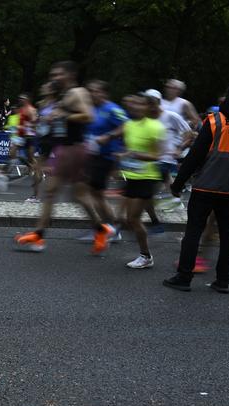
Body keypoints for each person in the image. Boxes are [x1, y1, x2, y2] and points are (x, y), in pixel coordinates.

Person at [163, 85, 229, 293]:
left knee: (193, 231)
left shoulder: (214, 121)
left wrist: (178, 184)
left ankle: (184, 277)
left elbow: (195, 156)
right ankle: (223, 281)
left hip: (205, 187)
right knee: (228, 235)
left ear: (227, 98)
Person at [13, 61, 114, 254]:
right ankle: (98, 229)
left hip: (74, 149)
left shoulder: (77, 92)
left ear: (70, 74)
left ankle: (41, 236)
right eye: (53, 75)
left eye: (58, 74)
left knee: (64, 194)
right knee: (67, 194)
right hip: (64, 149)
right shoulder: (65, 95)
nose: (54, 78)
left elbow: (88, 116)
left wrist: (62, 115)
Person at [117, 93, 164, 269]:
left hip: (148, 177)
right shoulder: (129, 125)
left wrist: (138, 155)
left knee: (133, 219)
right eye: (134, 103)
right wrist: (123, 156)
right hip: (131, 176)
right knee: (129, 219)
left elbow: (157, 155)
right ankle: (145, 245)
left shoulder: (155, 127)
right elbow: (127, 148)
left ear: (147, 107)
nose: (135, 106)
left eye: (140, 104)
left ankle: (146, 256)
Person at [83, 80, 128, 241]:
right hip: (92, 156)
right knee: (91, 193)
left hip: (106, 156)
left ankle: (113, 228)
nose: (92, 94)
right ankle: (103, 227)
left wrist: (109, 136)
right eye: (90, 91)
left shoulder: (113, 109)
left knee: (96, 194)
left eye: (95, 91)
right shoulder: (91, 109)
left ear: (104, 93)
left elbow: (126, 125)